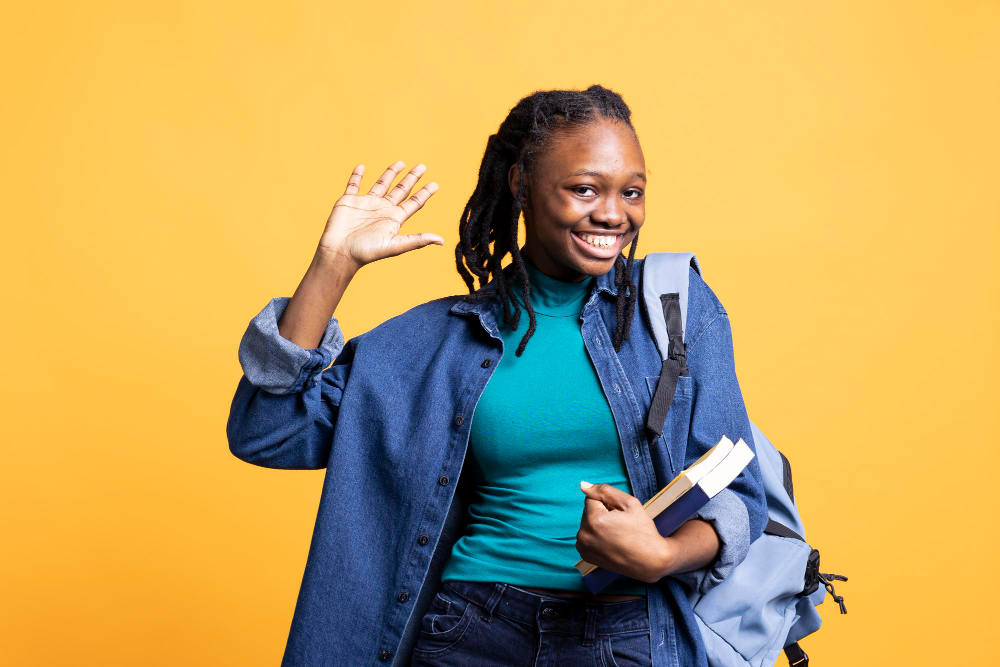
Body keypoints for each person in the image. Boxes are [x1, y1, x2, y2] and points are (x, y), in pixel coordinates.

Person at [227, 85, 767, 667]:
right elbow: (269, 431)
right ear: (521, 184)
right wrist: (333, 265)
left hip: (627, 633)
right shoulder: (434, 341)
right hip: (472, 628)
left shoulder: (675, 310)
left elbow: (738, 492)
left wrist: (662, 556)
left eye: (631, 192)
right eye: (585, 189)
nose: (614, 214)